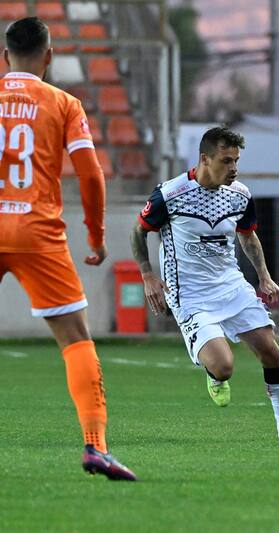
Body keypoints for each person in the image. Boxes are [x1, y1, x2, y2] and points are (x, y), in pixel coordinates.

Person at [0, 17, 137, 481]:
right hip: (38, 231)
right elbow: (91, 174)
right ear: (50, 56)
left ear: (4, 58)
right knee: (75, 339)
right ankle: (95, 447)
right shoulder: (63, 102)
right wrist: (96, 237)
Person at [130, 126, 279, 441]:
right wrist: (147, 275)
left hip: (230, 285)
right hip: (190, 294)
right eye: (226, 161)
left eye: (236, 160)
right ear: (205, 158)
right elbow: (138, 230)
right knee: (224, 366)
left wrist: (264, 276)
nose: (234, 168)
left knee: (271, 352)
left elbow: (248, 235)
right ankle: (215, 376)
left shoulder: (239, 194)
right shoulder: (170, 194)